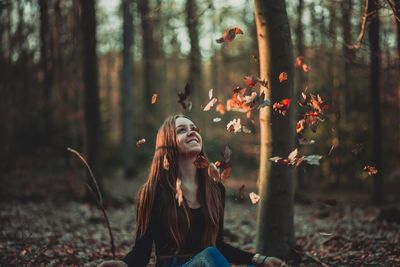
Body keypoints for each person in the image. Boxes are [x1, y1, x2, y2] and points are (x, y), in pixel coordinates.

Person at [98, 115, 287, 267]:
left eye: (194, 129)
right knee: (210, 255)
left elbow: (218, 245)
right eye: (182, 130)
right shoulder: (154, 191)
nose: (192, 133)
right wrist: (123, 264)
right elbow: (142, 252)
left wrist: (259, 259)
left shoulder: (215, 189)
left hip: (209, 262)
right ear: (168, 143)